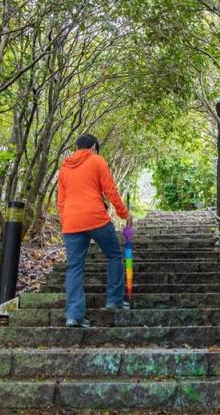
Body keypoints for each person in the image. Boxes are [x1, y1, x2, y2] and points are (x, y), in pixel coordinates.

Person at [56, 133, 132, 327]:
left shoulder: (64, 168)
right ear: (92, 148)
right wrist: (124, 215)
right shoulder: (97, 161)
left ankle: (74, 316)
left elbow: (61, 201)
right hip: (96, 219)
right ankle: (114, 300)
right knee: (114, 255)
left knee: (74, 267)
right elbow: (111, 190)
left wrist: (66, 221)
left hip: (71, 223)